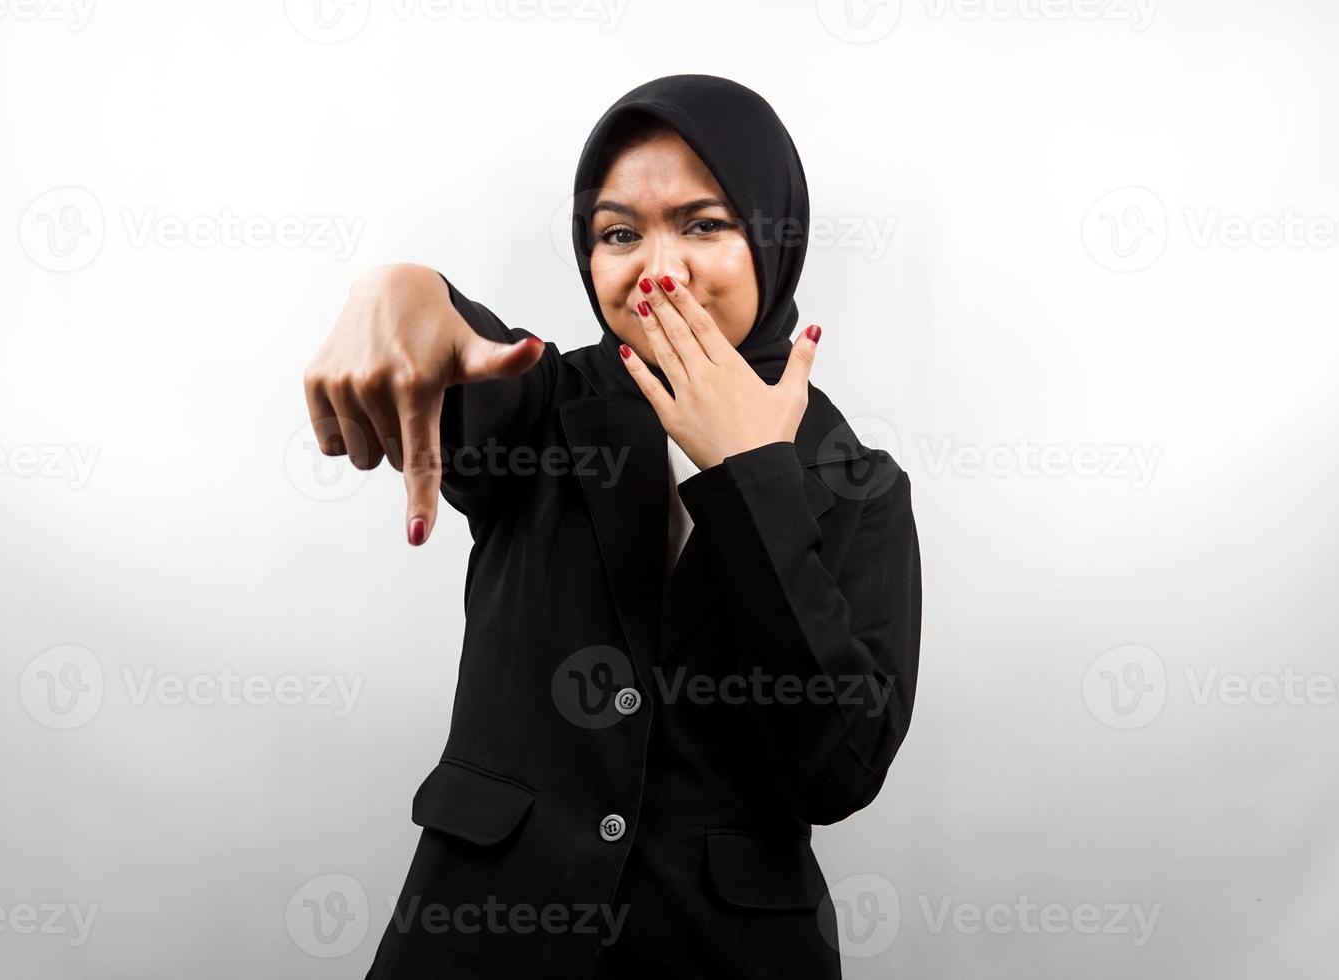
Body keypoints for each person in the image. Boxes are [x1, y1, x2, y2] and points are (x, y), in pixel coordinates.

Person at [303, 73, 923, 980]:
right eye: (619, 233)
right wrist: (398, 288)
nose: (657, 269)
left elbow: (836, 771)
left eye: (704, 224)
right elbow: (454, 343)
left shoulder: (858, 486)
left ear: (772, 237)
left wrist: (752, 476)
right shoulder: (547, 401)